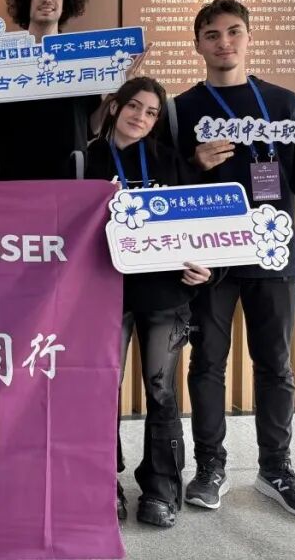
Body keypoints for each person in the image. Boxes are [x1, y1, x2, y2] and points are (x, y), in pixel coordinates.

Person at [174, 0, 295, 518]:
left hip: (273, 252)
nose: (223, 42)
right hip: (209, 259)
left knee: (276, 366)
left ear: (248, 37)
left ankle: (276, 469)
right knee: (207, 364)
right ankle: (209, 467)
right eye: (212, 34)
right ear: (197, 45)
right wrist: (194, 163)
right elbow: (162, 185)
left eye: (233, 32)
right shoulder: (181, 109)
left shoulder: (284, 103)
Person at [81, 76, 213, 528]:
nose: (141, 117)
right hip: (103, 293)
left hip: (164, 293)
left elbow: (198, 222)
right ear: (115, 107)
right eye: (134, 106)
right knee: (102, 389)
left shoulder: (168, 160)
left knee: (161, 390)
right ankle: (103, 484)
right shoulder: (85, 160)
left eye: (151, 112)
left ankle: (161, 488)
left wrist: (205, 267)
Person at [0, 0, 106, 180]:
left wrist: (116, 91)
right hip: (14, 185)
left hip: (69, 185)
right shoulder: (3, 62)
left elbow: (92, 129)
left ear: (66, 3)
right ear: (27, 1)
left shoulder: (80, 60)